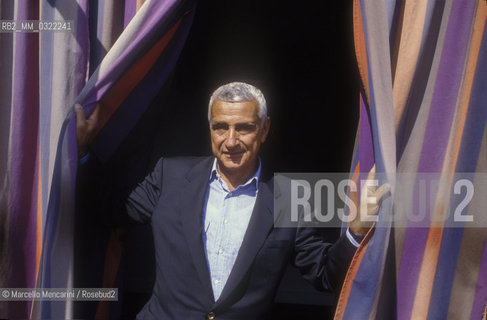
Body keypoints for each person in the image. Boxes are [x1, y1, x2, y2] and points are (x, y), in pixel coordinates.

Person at [75, 82, 389, 319]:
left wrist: (357, 229)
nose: (231, 140)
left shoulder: (290, 196)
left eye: (244, 128)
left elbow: (326, 276)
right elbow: (110, 212)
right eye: (221, 127)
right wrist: (83, 153)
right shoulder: (168, 175)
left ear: (264, 129)